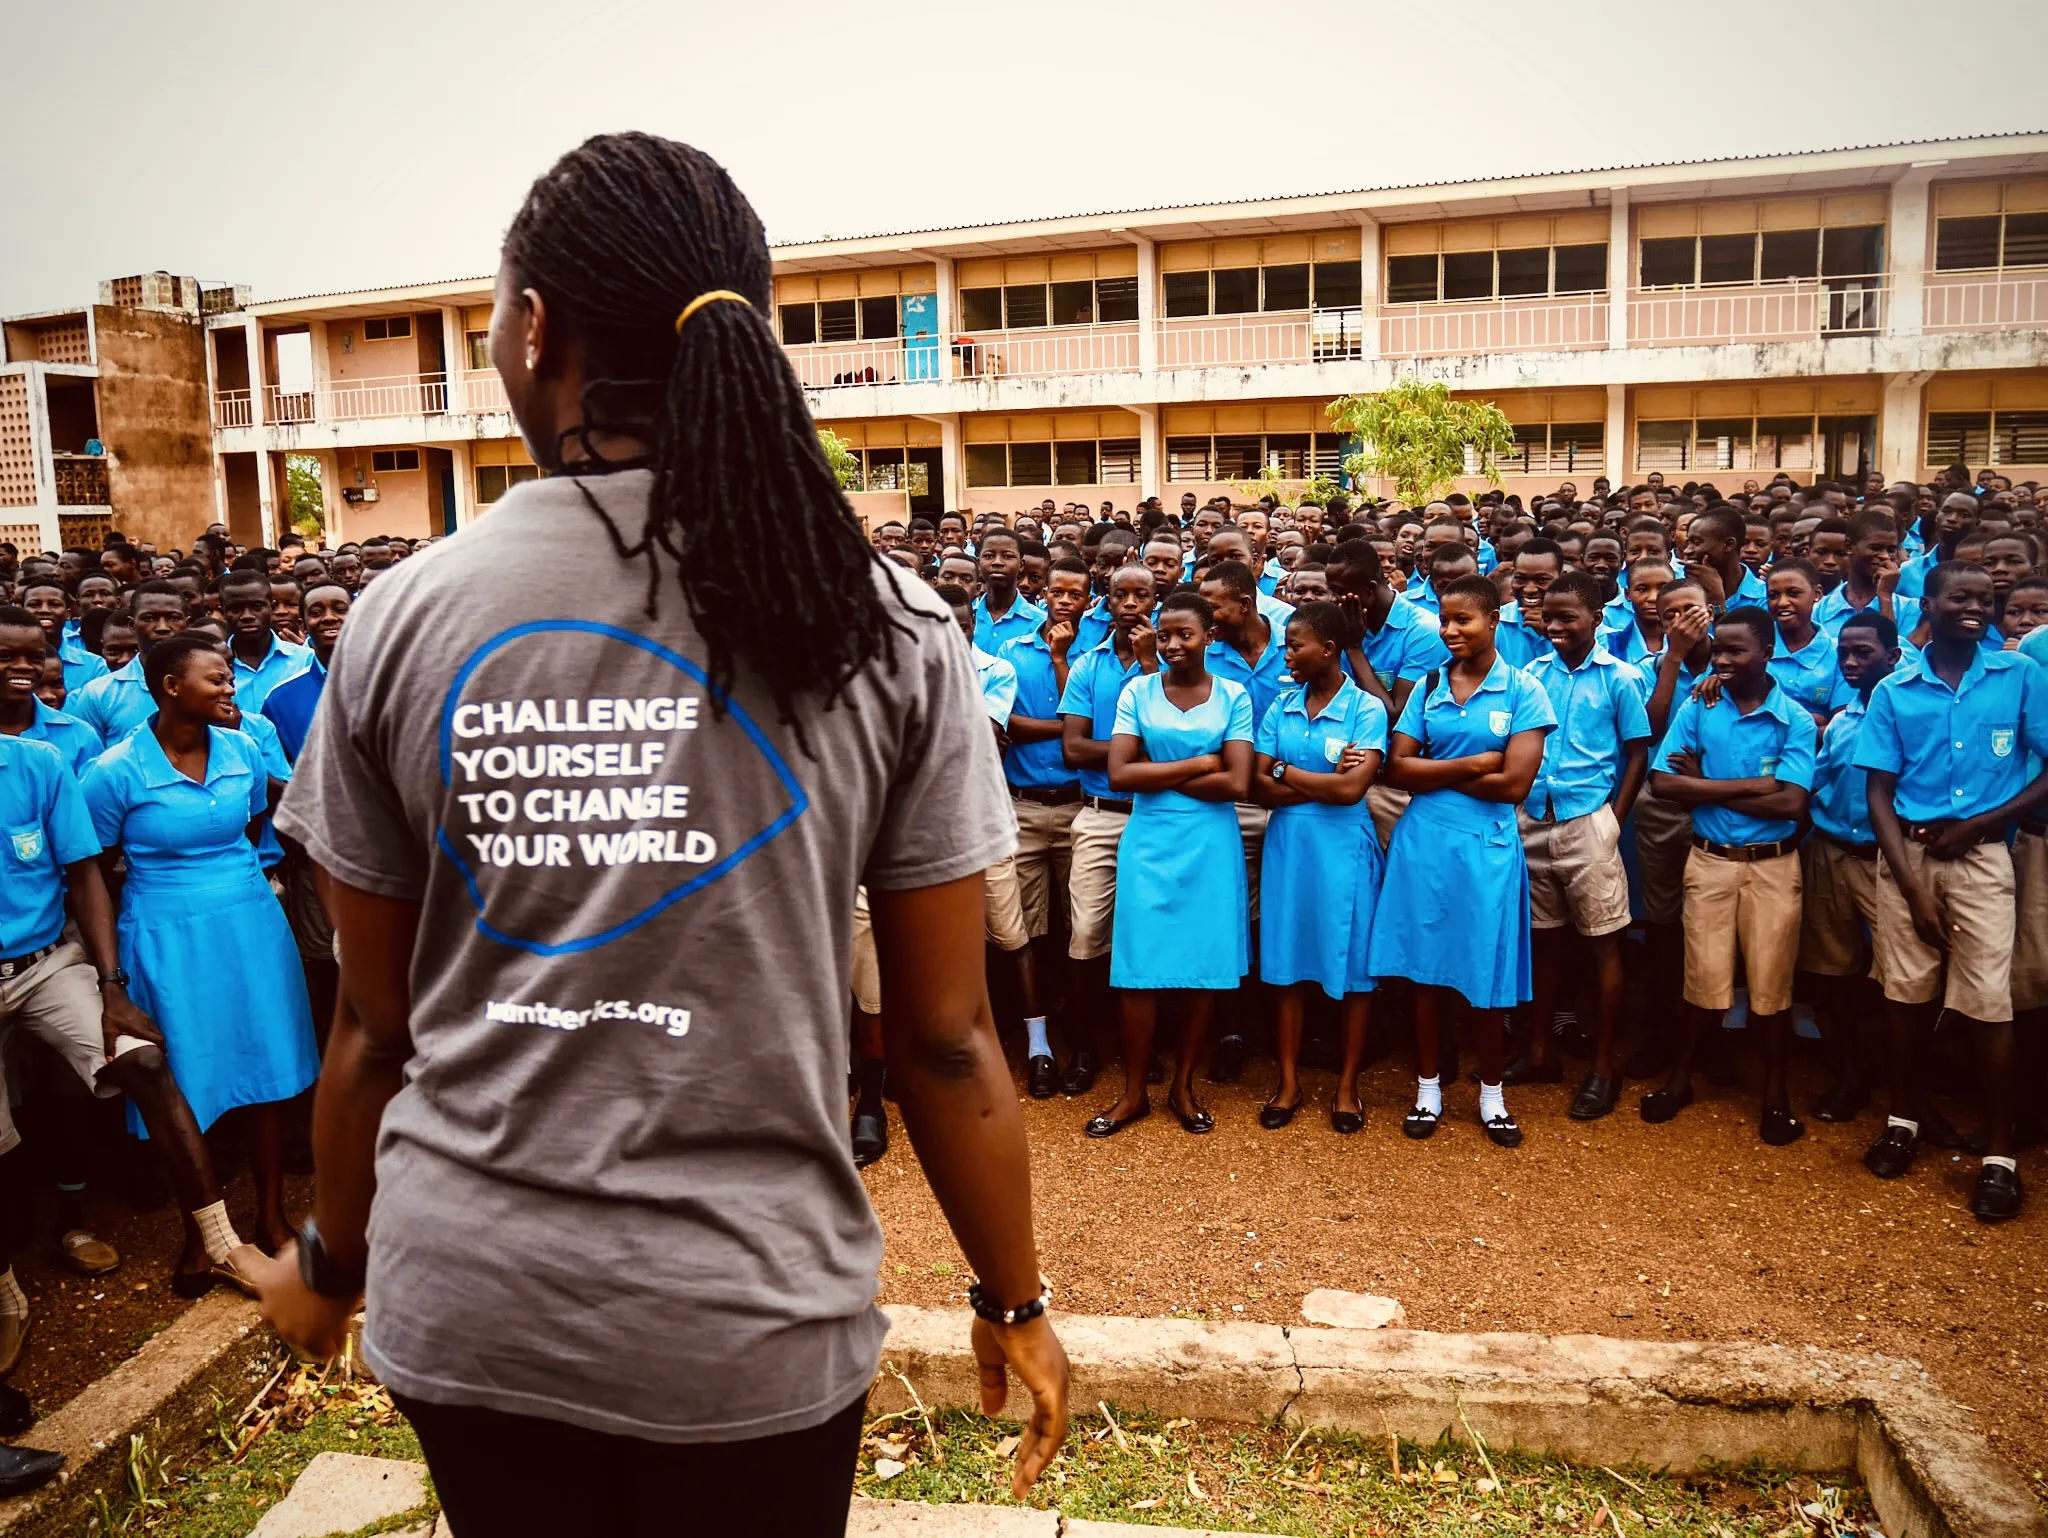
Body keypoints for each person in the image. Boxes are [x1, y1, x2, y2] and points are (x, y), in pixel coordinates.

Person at [252, 134, 1067, 1534]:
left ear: (533, 330)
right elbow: (946, 1035)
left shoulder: (400, 619)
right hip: (751, 1326)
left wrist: (331, 1265)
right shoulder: (889, 625)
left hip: (477, 1315)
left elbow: (376, 1035)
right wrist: (1014, 1300)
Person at [81, 635, 320, 1255]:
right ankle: (205, 1234)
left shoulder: (243, 748)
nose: (230, 687)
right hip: (163, 934)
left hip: (249, 925)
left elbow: (289, 812)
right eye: (215, 679)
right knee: (187, 1075)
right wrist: (111, 979)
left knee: (264, 1064)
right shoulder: (114, 773)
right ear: (169, 687)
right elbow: (94, 874)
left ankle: (271, 1218)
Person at [1856, 563, 2048, 1222]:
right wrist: (1912, 888)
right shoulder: (1894, 687)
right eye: (1959, 597)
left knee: (1989, 1005)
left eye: (1985, 599)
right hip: (1907, 857)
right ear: (1928, 605)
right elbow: (1877, 791)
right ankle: (1903, 1119)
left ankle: (1999, 1156)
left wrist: (1982, 825)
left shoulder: (2020, 675)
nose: (1976, 607)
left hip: (1985, 857)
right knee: (1904, 997)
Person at [1366, 575, 1556, 1147]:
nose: (1450, 630)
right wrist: (1476, 765)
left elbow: (1515, 785)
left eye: (1463, 621)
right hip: (1422, 845)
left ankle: (1492, 1094)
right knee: (1425, 970)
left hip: (1486, 849)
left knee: (1485, 972)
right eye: (1444, 620)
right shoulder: (1427, 686)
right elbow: (1397, 769)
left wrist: (1439, 773)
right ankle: (1428, 1087)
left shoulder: (1524, 691)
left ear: (1494, 621)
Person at [1643, 606, 1818, 1145]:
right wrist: (1751, 787)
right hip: (1711, 860)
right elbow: (1664, 785)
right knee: (1702, 980)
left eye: (1734, 651)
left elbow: (1793, 805)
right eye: (1717, 649)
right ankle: (1680, 1081)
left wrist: (1709, 783)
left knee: (1771, 987)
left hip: (1773, 866)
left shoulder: (1797, 719)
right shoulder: (1701, 702)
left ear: (1767, 654)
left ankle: (1775, 1096)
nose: (1721, 659)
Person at [1086, 591, 1253, 1138]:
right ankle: (1134, 1091)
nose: (1174, 644)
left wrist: (1164, 767)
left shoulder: (1234, 694)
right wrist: (1203, 760)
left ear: (1209, 636)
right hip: (1150, 840)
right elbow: (1119, 774)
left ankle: (1183, 1084)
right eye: (1165, 636)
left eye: (1186, 634)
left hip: (1210, 842)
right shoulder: (1137, 689)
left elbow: (1238, 781)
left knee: (1204, 967)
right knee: (1138, 967)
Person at [1513, 571, 1651, 1119]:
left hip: (1587, 822)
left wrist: (1614, 820)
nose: (1556, 627)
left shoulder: (1619, 677)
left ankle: (1602, 1066)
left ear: (1597, 617)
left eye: (1568, 617)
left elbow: (1636, 752)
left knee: (1603, 944)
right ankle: (1541, 1050)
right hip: (1534, 820)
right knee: (1544, 944)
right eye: (1549, 617)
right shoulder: (1532, 674)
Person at [1249, 602, 1385, 1134]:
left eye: (1295, 645)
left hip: (1345, 850)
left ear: (1328, 649)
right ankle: (1288, 1080)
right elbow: (1256, 784)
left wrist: (1285, 771)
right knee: (1287, 966)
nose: (1287, 654)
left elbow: (1352, 790)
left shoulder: (1365, 708)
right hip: (1289, 848)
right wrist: (1309, 777)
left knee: (1353, 971)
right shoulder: (1281, 705)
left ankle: (1347, 1084)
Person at [1057, 565, 1160, 1096]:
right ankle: (1084, 1047)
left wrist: (1148, 667)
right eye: (1120, 594)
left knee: (1145, 936)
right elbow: (1073, 750)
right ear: (1107, 600)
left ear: (1156, 599)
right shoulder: (1086, 664)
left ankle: (1140, 1046)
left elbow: (1174, 745)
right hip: (1099, 813)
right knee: (1087, 934)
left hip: (1155, 814)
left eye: (1141, 595)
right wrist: (1131, 749)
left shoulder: (1175, 663)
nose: (1130, 604)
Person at [1795, 611, 1899, 1125]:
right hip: (1832, 851)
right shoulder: (1843, 720)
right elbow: (1817, 782)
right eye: (1845, 655)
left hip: (1888, 861)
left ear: (1893, 656)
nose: (1853, 663)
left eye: (1865, 653)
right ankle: (1850, 1076)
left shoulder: (1907, 708)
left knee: (1899, 981)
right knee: (1835, 974)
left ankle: (1907, 1093)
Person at [998, 557, 1091, 1095]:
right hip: (1024, 807)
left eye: (1075, 594)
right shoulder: (1011, 652)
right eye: (1056, 591)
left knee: (1082, 930)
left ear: (1087, 599)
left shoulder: (1097, 655)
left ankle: (1083, 1036)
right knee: (1026, 930)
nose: (1063, 600)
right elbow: (1004, 719)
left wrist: (1061, 660)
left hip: (1082, 805)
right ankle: (1037, 1045)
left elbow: (1096, 730)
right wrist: (1068, 728)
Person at [70, 582, 189, 745]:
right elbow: (86, 762)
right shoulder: (100, 694)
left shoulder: (212, 687)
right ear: (132, 626)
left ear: (186, 624)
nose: (162, 627)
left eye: (173, 618)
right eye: (149, 618)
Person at [1764, 558, 1850, 730]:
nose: (1782, 603)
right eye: (1773, 595)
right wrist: (1812, 721)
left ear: (1817, 594)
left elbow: (1840, 725)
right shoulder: (1755, 642)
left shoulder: (1838, 652)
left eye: (1793, 593)